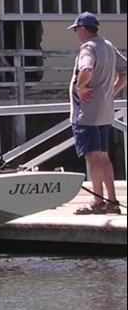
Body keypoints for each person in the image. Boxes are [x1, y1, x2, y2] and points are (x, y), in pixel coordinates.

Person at [67, 12, 127, 215]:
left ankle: (97, 201)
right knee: (104, 156)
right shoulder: (108, 46)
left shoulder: (88, 47)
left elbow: (86, 69)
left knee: (93, 158)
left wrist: (81, 87)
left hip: (87, 113)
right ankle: (111, 201)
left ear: (83, 29)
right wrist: (112, 90)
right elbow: (125, 70)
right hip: (104, 111)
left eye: (76, 30)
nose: (76, 33)